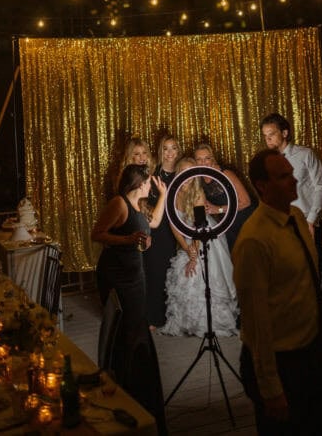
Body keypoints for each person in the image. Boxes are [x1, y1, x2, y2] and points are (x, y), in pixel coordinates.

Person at [232, 147, 322, 436]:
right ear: (262, 186)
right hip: (282, 363)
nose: (294, 180)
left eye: (291, 173)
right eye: (284, 177)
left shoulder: (296, 217)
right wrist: (270, 389)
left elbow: (309, 279)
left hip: (313, 351)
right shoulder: (254, 241)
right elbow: (256, 322)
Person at [91, 163, 167, 433]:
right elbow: (97, 233)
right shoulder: (119, 203)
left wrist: (165, 194)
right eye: (148, 182)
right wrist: (128, 240)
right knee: (128, 331)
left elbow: (152, 224)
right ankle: (124, 388)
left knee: (137, 329)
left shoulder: (140, 206)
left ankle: (138, 392)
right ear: (138, 183)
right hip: (117, 276)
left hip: (135, 274)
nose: (150, 186)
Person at [159, 156, 238, 337]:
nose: (187, 178)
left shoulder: (198, 194)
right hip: (186, 239)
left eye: (191, 174)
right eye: (183, 173)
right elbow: (174, 225)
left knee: (201, 273)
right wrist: (187, 250)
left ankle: (208, 323)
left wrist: (194, 256)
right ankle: (187, 321)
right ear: (178, 173)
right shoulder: (172, 193)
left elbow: (199, 227)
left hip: (203, 236)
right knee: (184, 273)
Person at [260, 113, 322, 260]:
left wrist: (311, 221)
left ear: (285, 133)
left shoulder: (306, 155)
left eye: (271, 134)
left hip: (305, 222)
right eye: (265, 136)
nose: (268, 139)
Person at [143, 134, 180, 329]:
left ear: (178, 150)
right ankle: (154, 317)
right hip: (159, 228)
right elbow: (145, 204)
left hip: (180, 226)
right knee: (157, 271)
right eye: (165, 148)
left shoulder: (183, 171)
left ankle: (173, 316)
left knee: (176, 272)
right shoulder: (153, 174)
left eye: (173, 148)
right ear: (160, 151)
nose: (169, 153)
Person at [193, 143, 258, 252]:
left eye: (207, 158)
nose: (203, 162)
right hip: (229, 223)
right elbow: (203, 206)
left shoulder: (225, 173)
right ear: (195, 162)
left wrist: (218, 209)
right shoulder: (197, 179)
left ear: (212, 159)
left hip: (246, 219)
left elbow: (246, 202)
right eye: (199, 159)